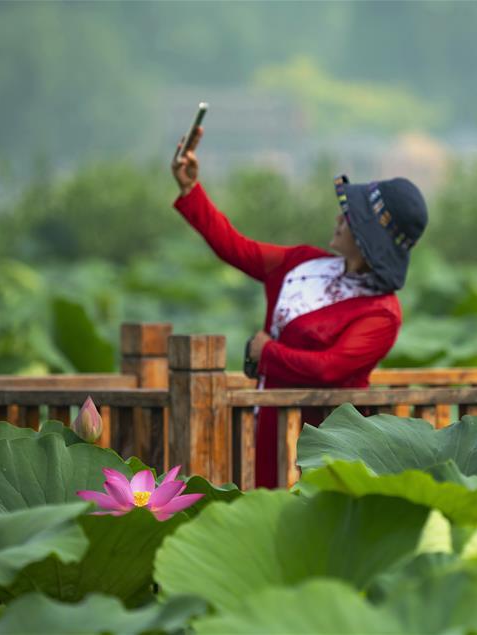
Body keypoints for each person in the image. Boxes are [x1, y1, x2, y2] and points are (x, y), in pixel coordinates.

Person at [170, 127, 428, 488]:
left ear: (370, 241)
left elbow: (329, 369)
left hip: (323, 442)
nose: (339, 218)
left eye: (350, 217)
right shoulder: (303, 262)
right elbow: (235, 247)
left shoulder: (382, 313)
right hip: (263, 421)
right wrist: (190, 189)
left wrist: (266, 351)